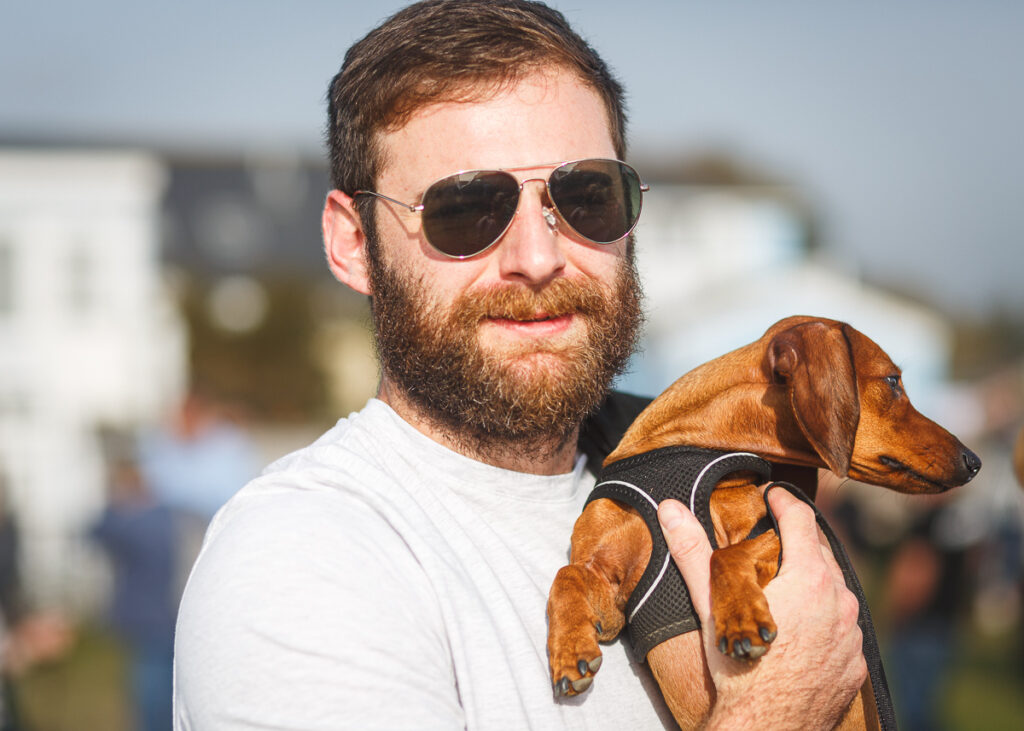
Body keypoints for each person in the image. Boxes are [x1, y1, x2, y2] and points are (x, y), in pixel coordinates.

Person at [173, 1, 866, 728]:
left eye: (586, 197)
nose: (538, 258)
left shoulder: (682, 468)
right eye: (466, 210)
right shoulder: (302, 559)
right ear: (353, 243)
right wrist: (777, 711)